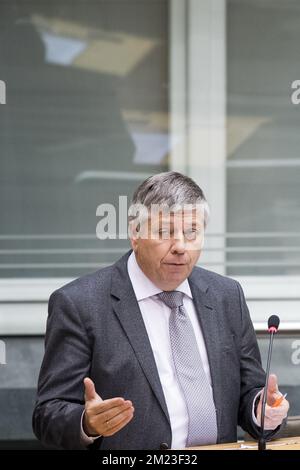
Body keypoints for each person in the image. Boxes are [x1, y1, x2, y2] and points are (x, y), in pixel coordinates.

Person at [32, 171, 289, 450]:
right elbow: (47, 414)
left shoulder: (226, 296)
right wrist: (86, 423)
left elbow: (248, 395)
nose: (180, 246)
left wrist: (262, 408)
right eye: (165, 232)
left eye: (192, 232)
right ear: (135, 233)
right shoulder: (81, 304)